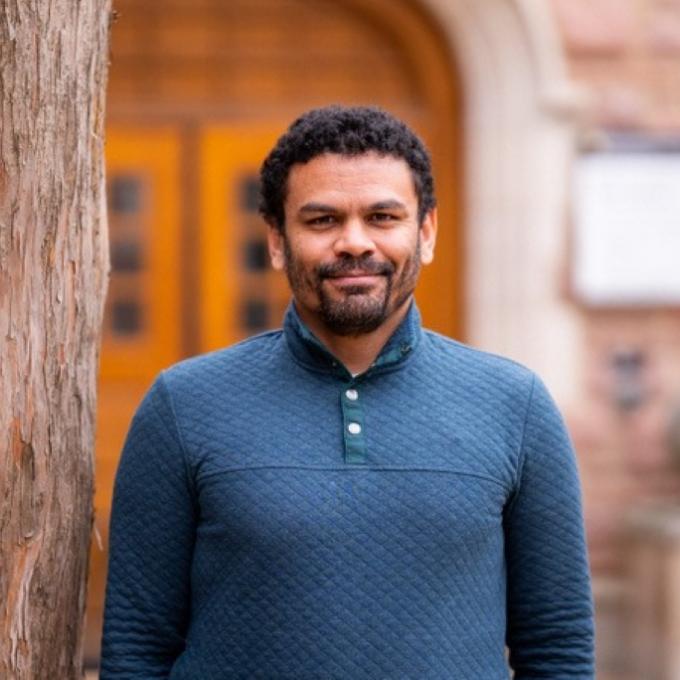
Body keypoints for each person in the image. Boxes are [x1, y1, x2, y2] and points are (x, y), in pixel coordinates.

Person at [100, 105, 594, 679]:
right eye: (322, 220)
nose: (354, 243)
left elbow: (556, 647)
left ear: (426, 232)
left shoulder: (516, 406)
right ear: (278, 242)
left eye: (383, 217)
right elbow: (137, 646)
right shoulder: (184, 406)